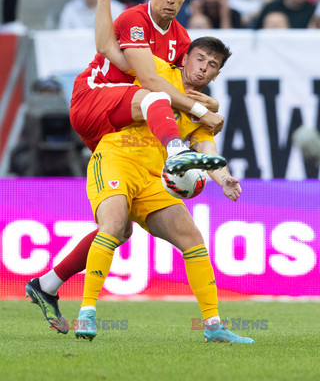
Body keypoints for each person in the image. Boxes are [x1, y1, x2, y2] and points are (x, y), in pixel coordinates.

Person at [26, 38, 254, 345]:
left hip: (154, 178)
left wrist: (223, 177)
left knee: (191, 238)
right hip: (116, 158)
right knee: (115, 225)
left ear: (216, 75)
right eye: (200, 59)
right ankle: (87, 311)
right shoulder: (156, 70)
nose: (203, 68)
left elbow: (206, 149)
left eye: (213, 65)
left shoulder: (202, 113)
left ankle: (213, 326)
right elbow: (115, 59)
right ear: (185, 58)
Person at [70, 0, 223, 160]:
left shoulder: (182, 38)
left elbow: (184, 89)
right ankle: (177, 153)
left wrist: (211, 106)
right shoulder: (135, 19)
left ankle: (205, 167)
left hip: (128, 113)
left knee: (136, 178)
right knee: (156, 97)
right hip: (94, 97)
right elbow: (149, 79)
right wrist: (203, 111)